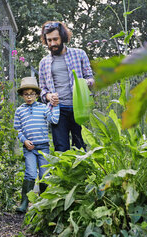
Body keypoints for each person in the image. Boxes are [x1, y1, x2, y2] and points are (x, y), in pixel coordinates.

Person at [38, 21, 94, 152]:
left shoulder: (79, 54)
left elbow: (91, 79)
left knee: (80, 148)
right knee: (61, 149)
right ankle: (64, 173)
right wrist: (48, 96)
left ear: (63, 37)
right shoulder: (43, 63)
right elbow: (42, 90)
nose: (52, 44)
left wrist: (85, 83)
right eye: (49, 40)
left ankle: (81, 173)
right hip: (58, 111)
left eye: (55, 39)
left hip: (79, 109)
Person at [13, 77, 59, 213]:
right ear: (22, 95)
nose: (29, 97)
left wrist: (56, 106)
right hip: (30, 148)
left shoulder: (43, 108)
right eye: (26, 94)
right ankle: (24, 203)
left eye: (31, 94)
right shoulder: (19, 111)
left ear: (37, 95)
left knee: (45, 175)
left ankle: (43, 203)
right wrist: (24, 141)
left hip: (43, 146)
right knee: (30, 174)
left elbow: (54, 120)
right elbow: (18, 129)